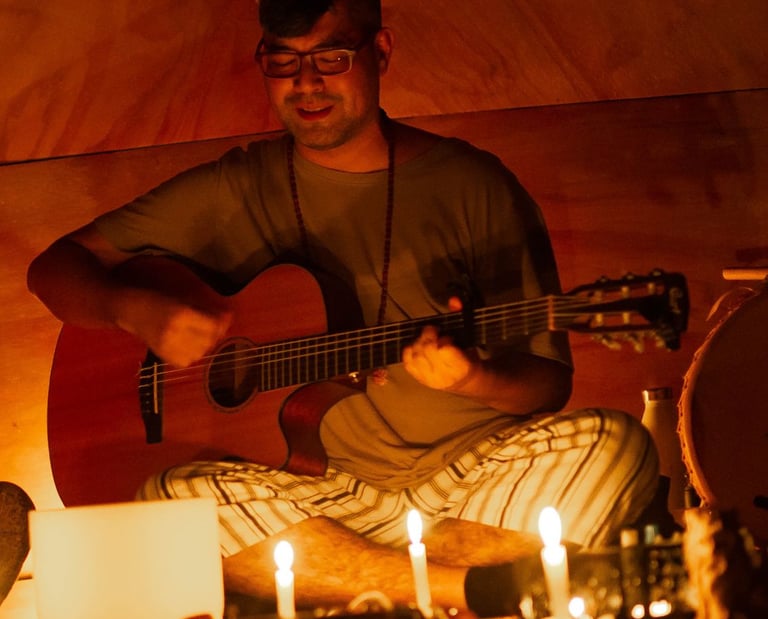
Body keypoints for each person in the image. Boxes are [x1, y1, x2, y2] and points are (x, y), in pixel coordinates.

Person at [27, 0, 658, 615]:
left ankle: (361, 588)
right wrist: (131, 308)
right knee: (174, 497)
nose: (307, 83)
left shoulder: (474, 184)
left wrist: (475, 378)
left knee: (613, 443)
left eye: (331, 57)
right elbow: (54, 269)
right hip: (316, 497)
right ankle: (473, 594)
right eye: (284, 61)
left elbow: (547, 384)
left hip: (474, 485)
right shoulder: (235, 186)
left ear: (379, 51)